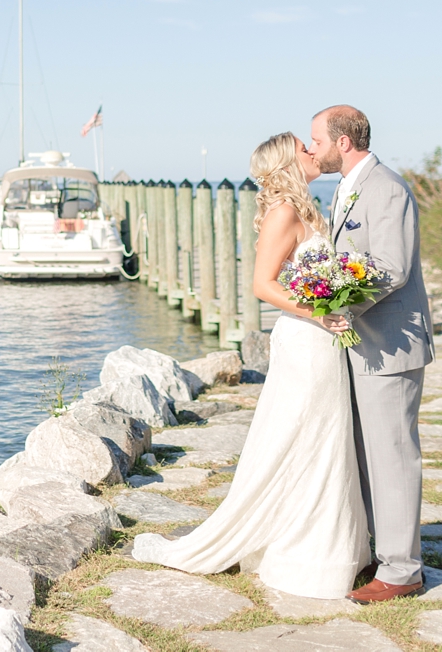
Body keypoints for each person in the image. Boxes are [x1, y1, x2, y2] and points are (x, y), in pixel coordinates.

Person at [131, 131, 369, 600]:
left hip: (323, 341)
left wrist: (338, 296)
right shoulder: (283, 211)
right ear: (287, 161)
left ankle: (325, 543)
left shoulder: (305, 209)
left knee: (324, 439)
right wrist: (322, 310)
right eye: (305, 146)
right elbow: (264, 285)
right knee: (303, 438)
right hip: (306, 341)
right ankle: (302, 550)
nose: (313, 150)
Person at [308, 105, 434, 603]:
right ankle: (383, 553)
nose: (312, 148)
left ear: (342, 142)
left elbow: (390, 266)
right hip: (363, 344)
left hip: (391, 342)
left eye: (316, 139)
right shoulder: (347, 187)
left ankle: (402, 572)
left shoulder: (385, 188)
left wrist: (339, 307)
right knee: (366, 457)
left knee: (393, 456)